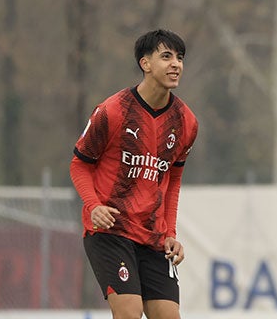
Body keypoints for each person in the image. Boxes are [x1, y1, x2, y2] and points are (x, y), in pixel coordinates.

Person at [70, 29, 198, 319]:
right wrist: (94, 205)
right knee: (129, 312)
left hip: (152, 236)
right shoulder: (113, 111)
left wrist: (170, 233)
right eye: (166, 56)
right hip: (110, 232)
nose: (176, 64)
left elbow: (173, 179)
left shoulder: (186, 122)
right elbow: (79, 164)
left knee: (168, 316)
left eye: (180, 58)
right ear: (145, 63)